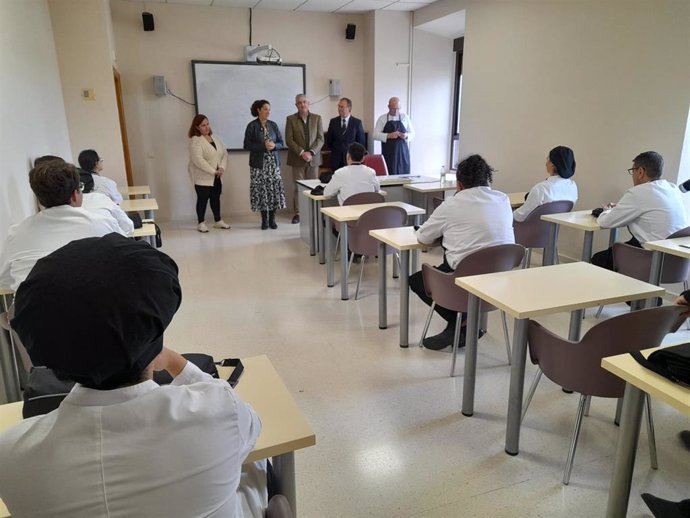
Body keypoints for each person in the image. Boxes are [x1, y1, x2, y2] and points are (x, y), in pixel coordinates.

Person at [0, 233, 266, 517]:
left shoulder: (11, 455)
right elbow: (252, 428)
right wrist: (178, 363)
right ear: (156, 330)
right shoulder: (218, 411)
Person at [410, 154, 515, 350]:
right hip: (500, 279)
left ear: (459, 184)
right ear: (487, 180)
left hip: (463, 279)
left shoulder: (452, 203)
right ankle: (463, 325)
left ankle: (463, 323)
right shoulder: (503, 199)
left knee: (417, 280)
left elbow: (423, 238)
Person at [0, 159, 123, 292]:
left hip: (35, 309)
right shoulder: (104, 224)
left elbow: (5, 279)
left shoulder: (16, 233)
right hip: (98, 306)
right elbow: (125, 262)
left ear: (40, 199)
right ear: (75, 195)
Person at [591, 151, 688, 270]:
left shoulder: (638, 193)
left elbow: (605, 222)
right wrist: (622, 208)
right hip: (679, 264)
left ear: (641, 171)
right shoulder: (673, 189)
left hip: (653, 262)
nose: (632, 175)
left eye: (633, 171)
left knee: (598, 259)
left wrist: (606, 211)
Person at [243, 99, 286, 230]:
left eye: (269, 109)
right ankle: (264, 220)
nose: (268, 112)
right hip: (258, 166)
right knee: (262, 191)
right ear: (258, 110)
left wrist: (274, 146)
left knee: (273, 191)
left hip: (273, 164)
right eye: (266, 109)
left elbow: (281, 143)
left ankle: (273, 219)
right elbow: (246, 145)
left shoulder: (273, 125)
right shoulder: (252, 126)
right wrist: (263, 146)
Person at [188, 114, 231, 232]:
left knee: (215, 198)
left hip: (217, 176)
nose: (206, 127)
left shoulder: (215, 138)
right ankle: (200, 223)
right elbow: (198, 160)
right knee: (202, 199)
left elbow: (224, 154)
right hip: (203, 177)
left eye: (207, 124)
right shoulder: (195, 141)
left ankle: (218, 220)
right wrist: (213, 171)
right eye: (203, 125)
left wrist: (222, 168)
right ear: (197, 127)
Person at [285, 94, 324, 224]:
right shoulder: (290, 119)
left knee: (314, 187)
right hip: (297, 159)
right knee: (298, 187)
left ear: (308, 103)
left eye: (304, 102)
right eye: (299, 103)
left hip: (313, 159)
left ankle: (313, 212)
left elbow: (320, 139)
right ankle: (298, 213)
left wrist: (311, 152)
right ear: (296, 105)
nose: (302, 104)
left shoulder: (317, 118)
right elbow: (289, 140)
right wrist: (302, 152)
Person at [513, 146, 578, 222]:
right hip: (552, 231)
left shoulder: (541, 188)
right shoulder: (573, 186)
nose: (546, 163)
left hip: (526, 229)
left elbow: (519, 216)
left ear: (553, 164)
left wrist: (506, 213)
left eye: (548, 159)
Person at [373, 97, 415, 176]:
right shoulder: (382, 118)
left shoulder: (405, 117)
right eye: (393, 109)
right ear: (388, 107)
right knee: (389, 173)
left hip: (402, 153)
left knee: (403, 176)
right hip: (388, 153)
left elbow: (413, 133)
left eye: (398, 109)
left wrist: (405, 136)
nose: (396, 111)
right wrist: (388, 135)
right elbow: (375, 135)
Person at [325, 97, 366, 172]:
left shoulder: (357, 123)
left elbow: (361, 143)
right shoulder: (333, 122)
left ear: (349, 108)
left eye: (342, 107)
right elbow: (329, 141)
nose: (339, 109)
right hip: (336, 160)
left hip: (351, 160)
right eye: (339, 106)